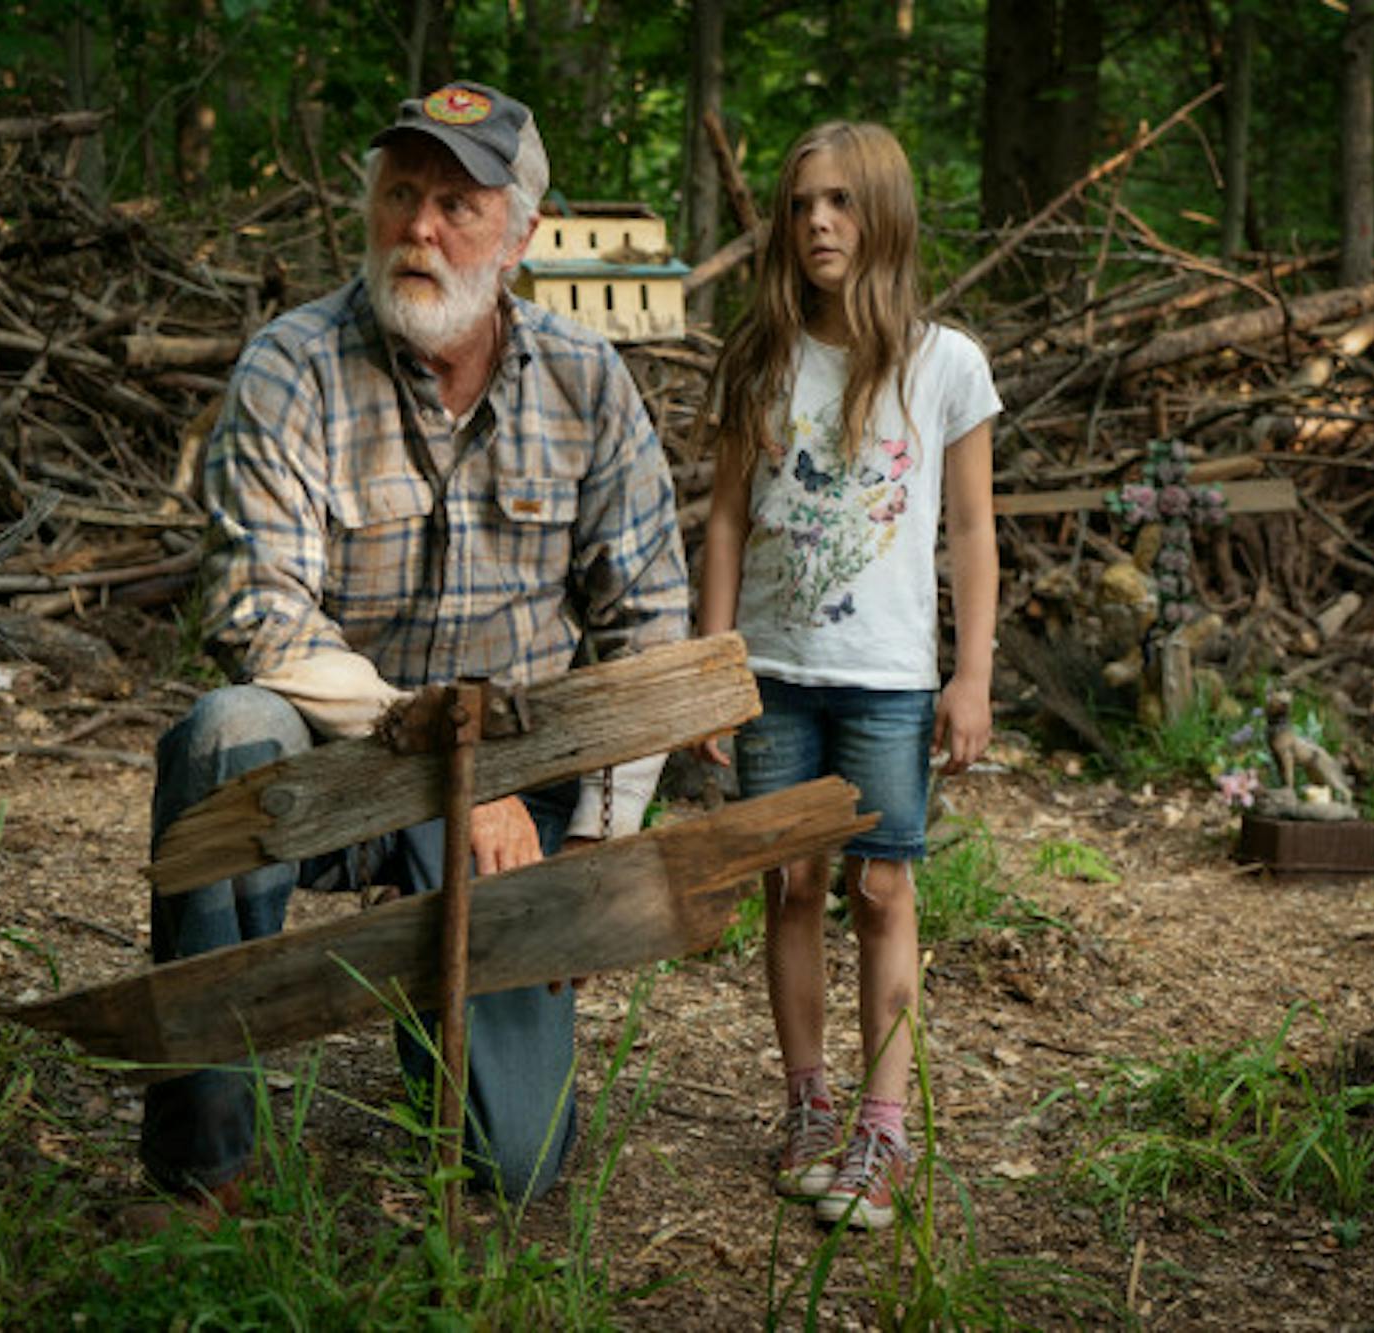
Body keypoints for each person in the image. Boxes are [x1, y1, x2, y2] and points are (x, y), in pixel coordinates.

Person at [138, 80, 688, 1222]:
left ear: (521, 236)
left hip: (509, 801)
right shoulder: (291, 368)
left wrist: (593, 841)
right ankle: (203, 1162)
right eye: (400, 195)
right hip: (335, 766)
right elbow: (260, 615)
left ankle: (444, 1029)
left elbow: (648, 627)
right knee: (224, 732)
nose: (419, 229)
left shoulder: (588, 385)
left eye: (456, 204)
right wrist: (442, 756)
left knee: (518, 1165)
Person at [697, 121, 1000, 1231]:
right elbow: (725, 518)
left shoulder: (944, 363)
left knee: (881, 889)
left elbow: (969, 528)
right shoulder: (761, 357)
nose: (817, 222)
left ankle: (883, 1124)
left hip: (885, 679)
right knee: (792, 884)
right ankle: (807, 1103)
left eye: (839, 201)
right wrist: (714, 666)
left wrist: (968, 677)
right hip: (772, 672)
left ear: (883, 214)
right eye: (798, 204)